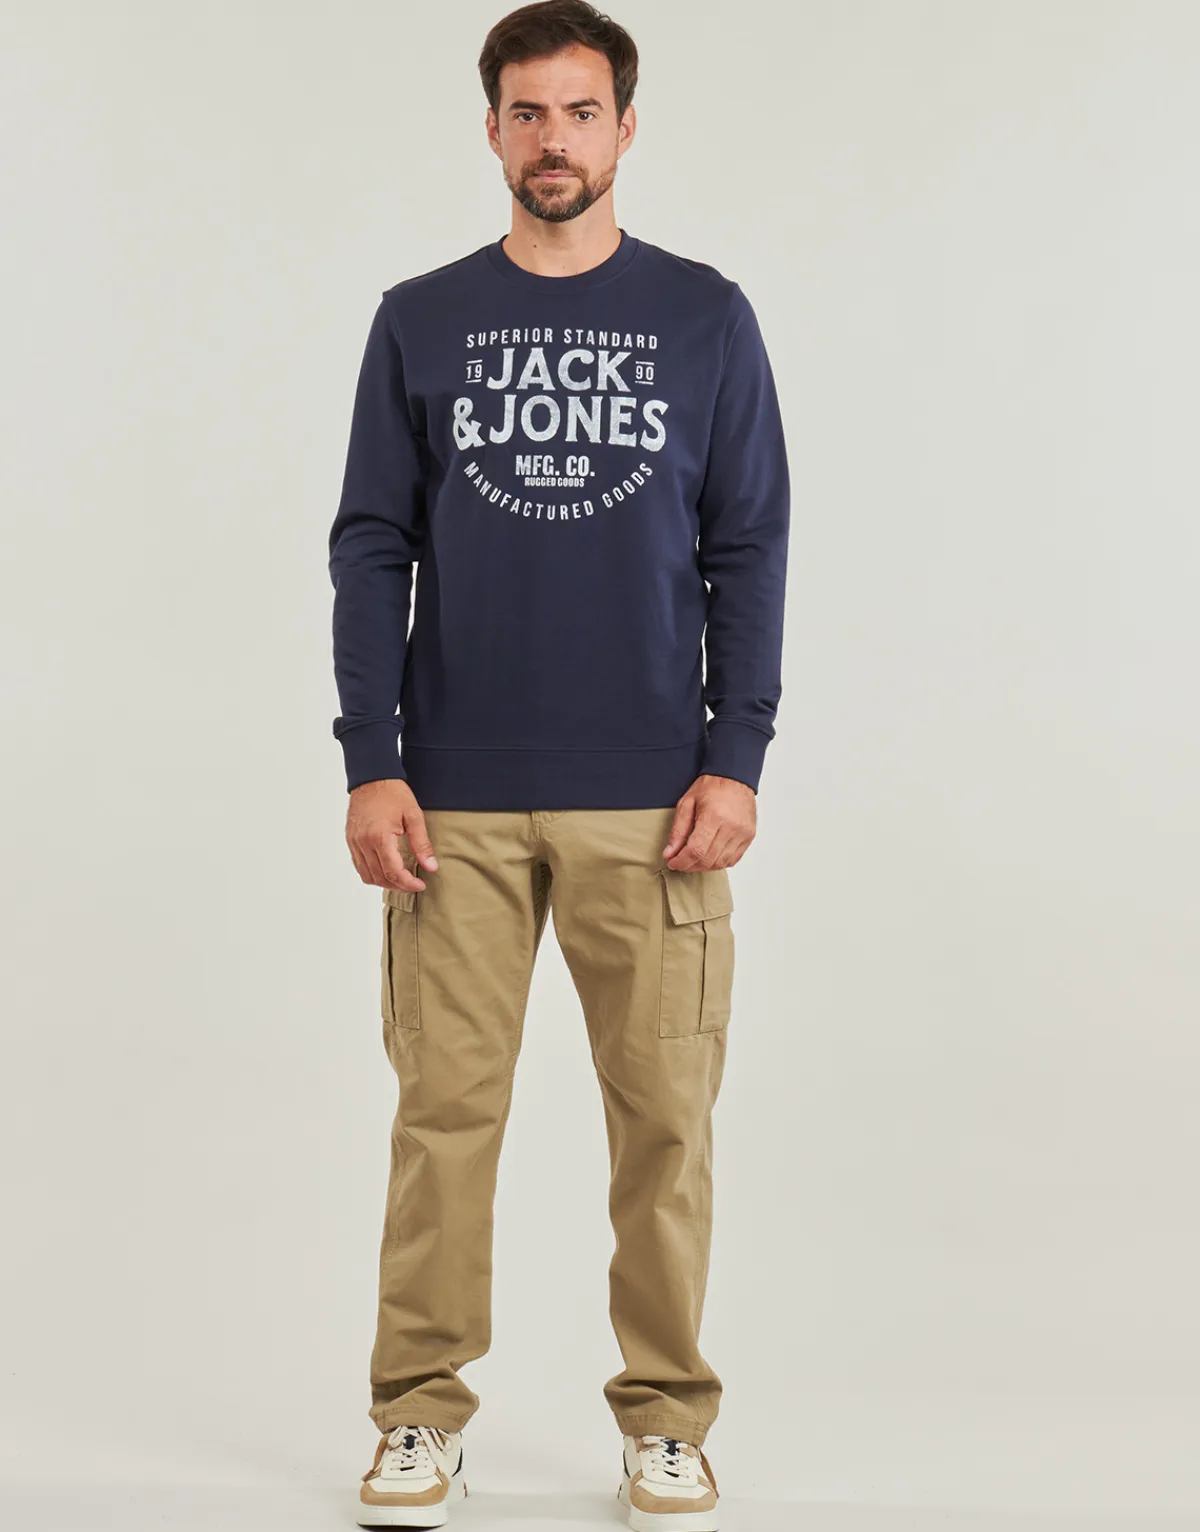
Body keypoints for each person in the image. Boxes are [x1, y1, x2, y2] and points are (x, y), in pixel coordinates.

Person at [328, 2, 790, 1525]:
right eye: (526, 112)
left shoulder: (705, 316)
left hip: (654, 801)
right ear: (491, 130)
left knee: (663, 1126)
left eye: (581, 112)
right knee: (442, 1123)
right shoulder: (420, 318)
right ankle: (417, 1413)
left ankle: (667, 1416)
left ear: (625, 128)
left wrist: (735, 757)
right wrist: (372, 758)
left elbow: (749, 546)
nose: (553, 140)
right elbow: (372, 544)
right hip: (448, 800)